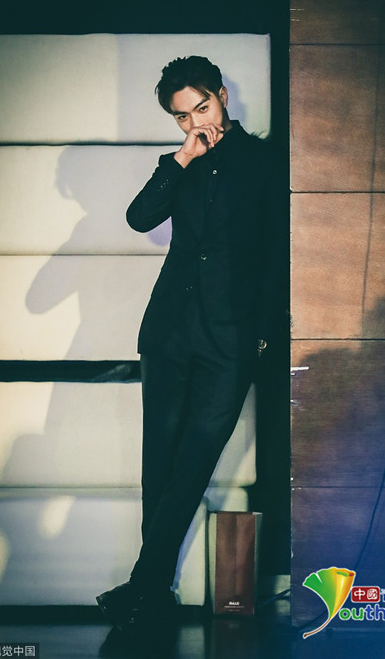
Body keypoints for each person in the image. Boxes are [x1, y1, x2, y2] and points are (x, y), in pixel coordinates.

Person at [96, 55, 285, 633]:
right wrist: (182, 158)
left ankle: (143, 586)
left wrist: (260, 338)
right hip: (170, 333)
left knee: (194, 463)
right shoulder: (179, 163)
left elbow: (277, 254)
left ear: (222, 95)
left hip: (231, 341)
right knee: (159, 465)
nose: (196, 122)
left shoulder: (266, 161)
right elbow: (138, 218)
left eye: (201, 107)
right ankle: (152, 593)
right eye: (182, 117)